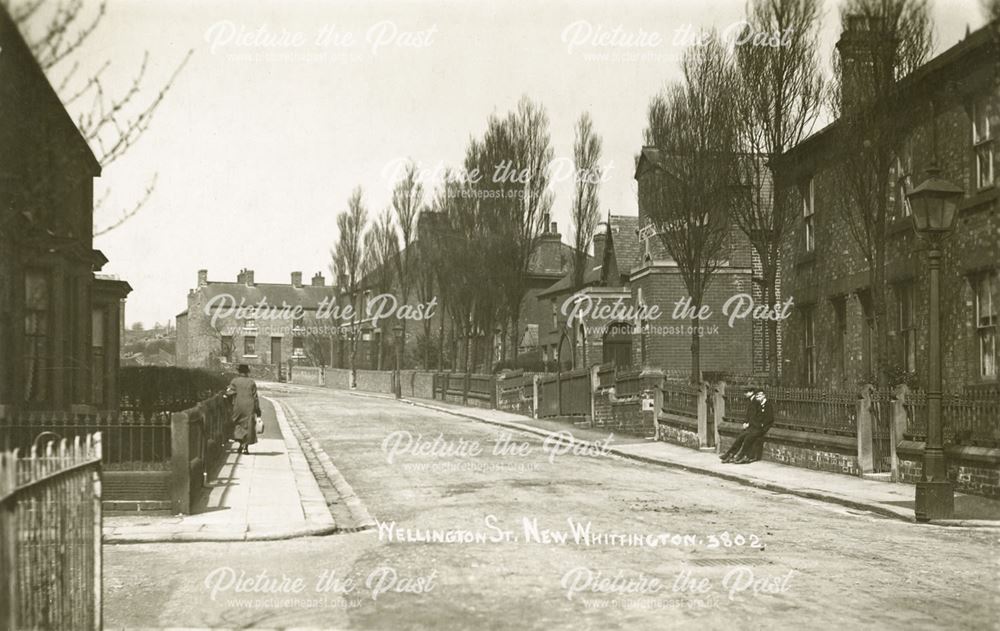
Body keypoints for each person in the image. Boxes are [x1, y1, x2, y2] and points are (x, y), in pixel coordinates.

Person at [720, 387, 773, 464]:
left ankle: (742, 456)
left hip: (761, 428)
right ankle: (731, 454)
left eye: (760, 396)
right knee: (741, 437)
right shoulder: (758, 404)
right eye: (757, 396)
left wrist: (762, 425)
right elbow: (752, 416)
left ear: (764, 396)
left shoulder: (768, 404)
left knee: (748, 438)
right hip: (754, 426)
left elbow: (770, 418)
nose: (758, 397)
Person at [225, 364, 260, 455]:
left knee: (238, 424)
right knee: (248, 426)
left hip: (238, 405)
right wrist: (258, 411)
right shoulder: (251, 382)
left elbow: (229, 392)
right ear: (247, 372)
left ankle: (241, 444)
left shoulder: (235, 381)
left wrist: (228, 399)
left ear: (239, 372)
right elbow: (255, 397)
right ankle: (245, 447)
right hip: (249, 406)